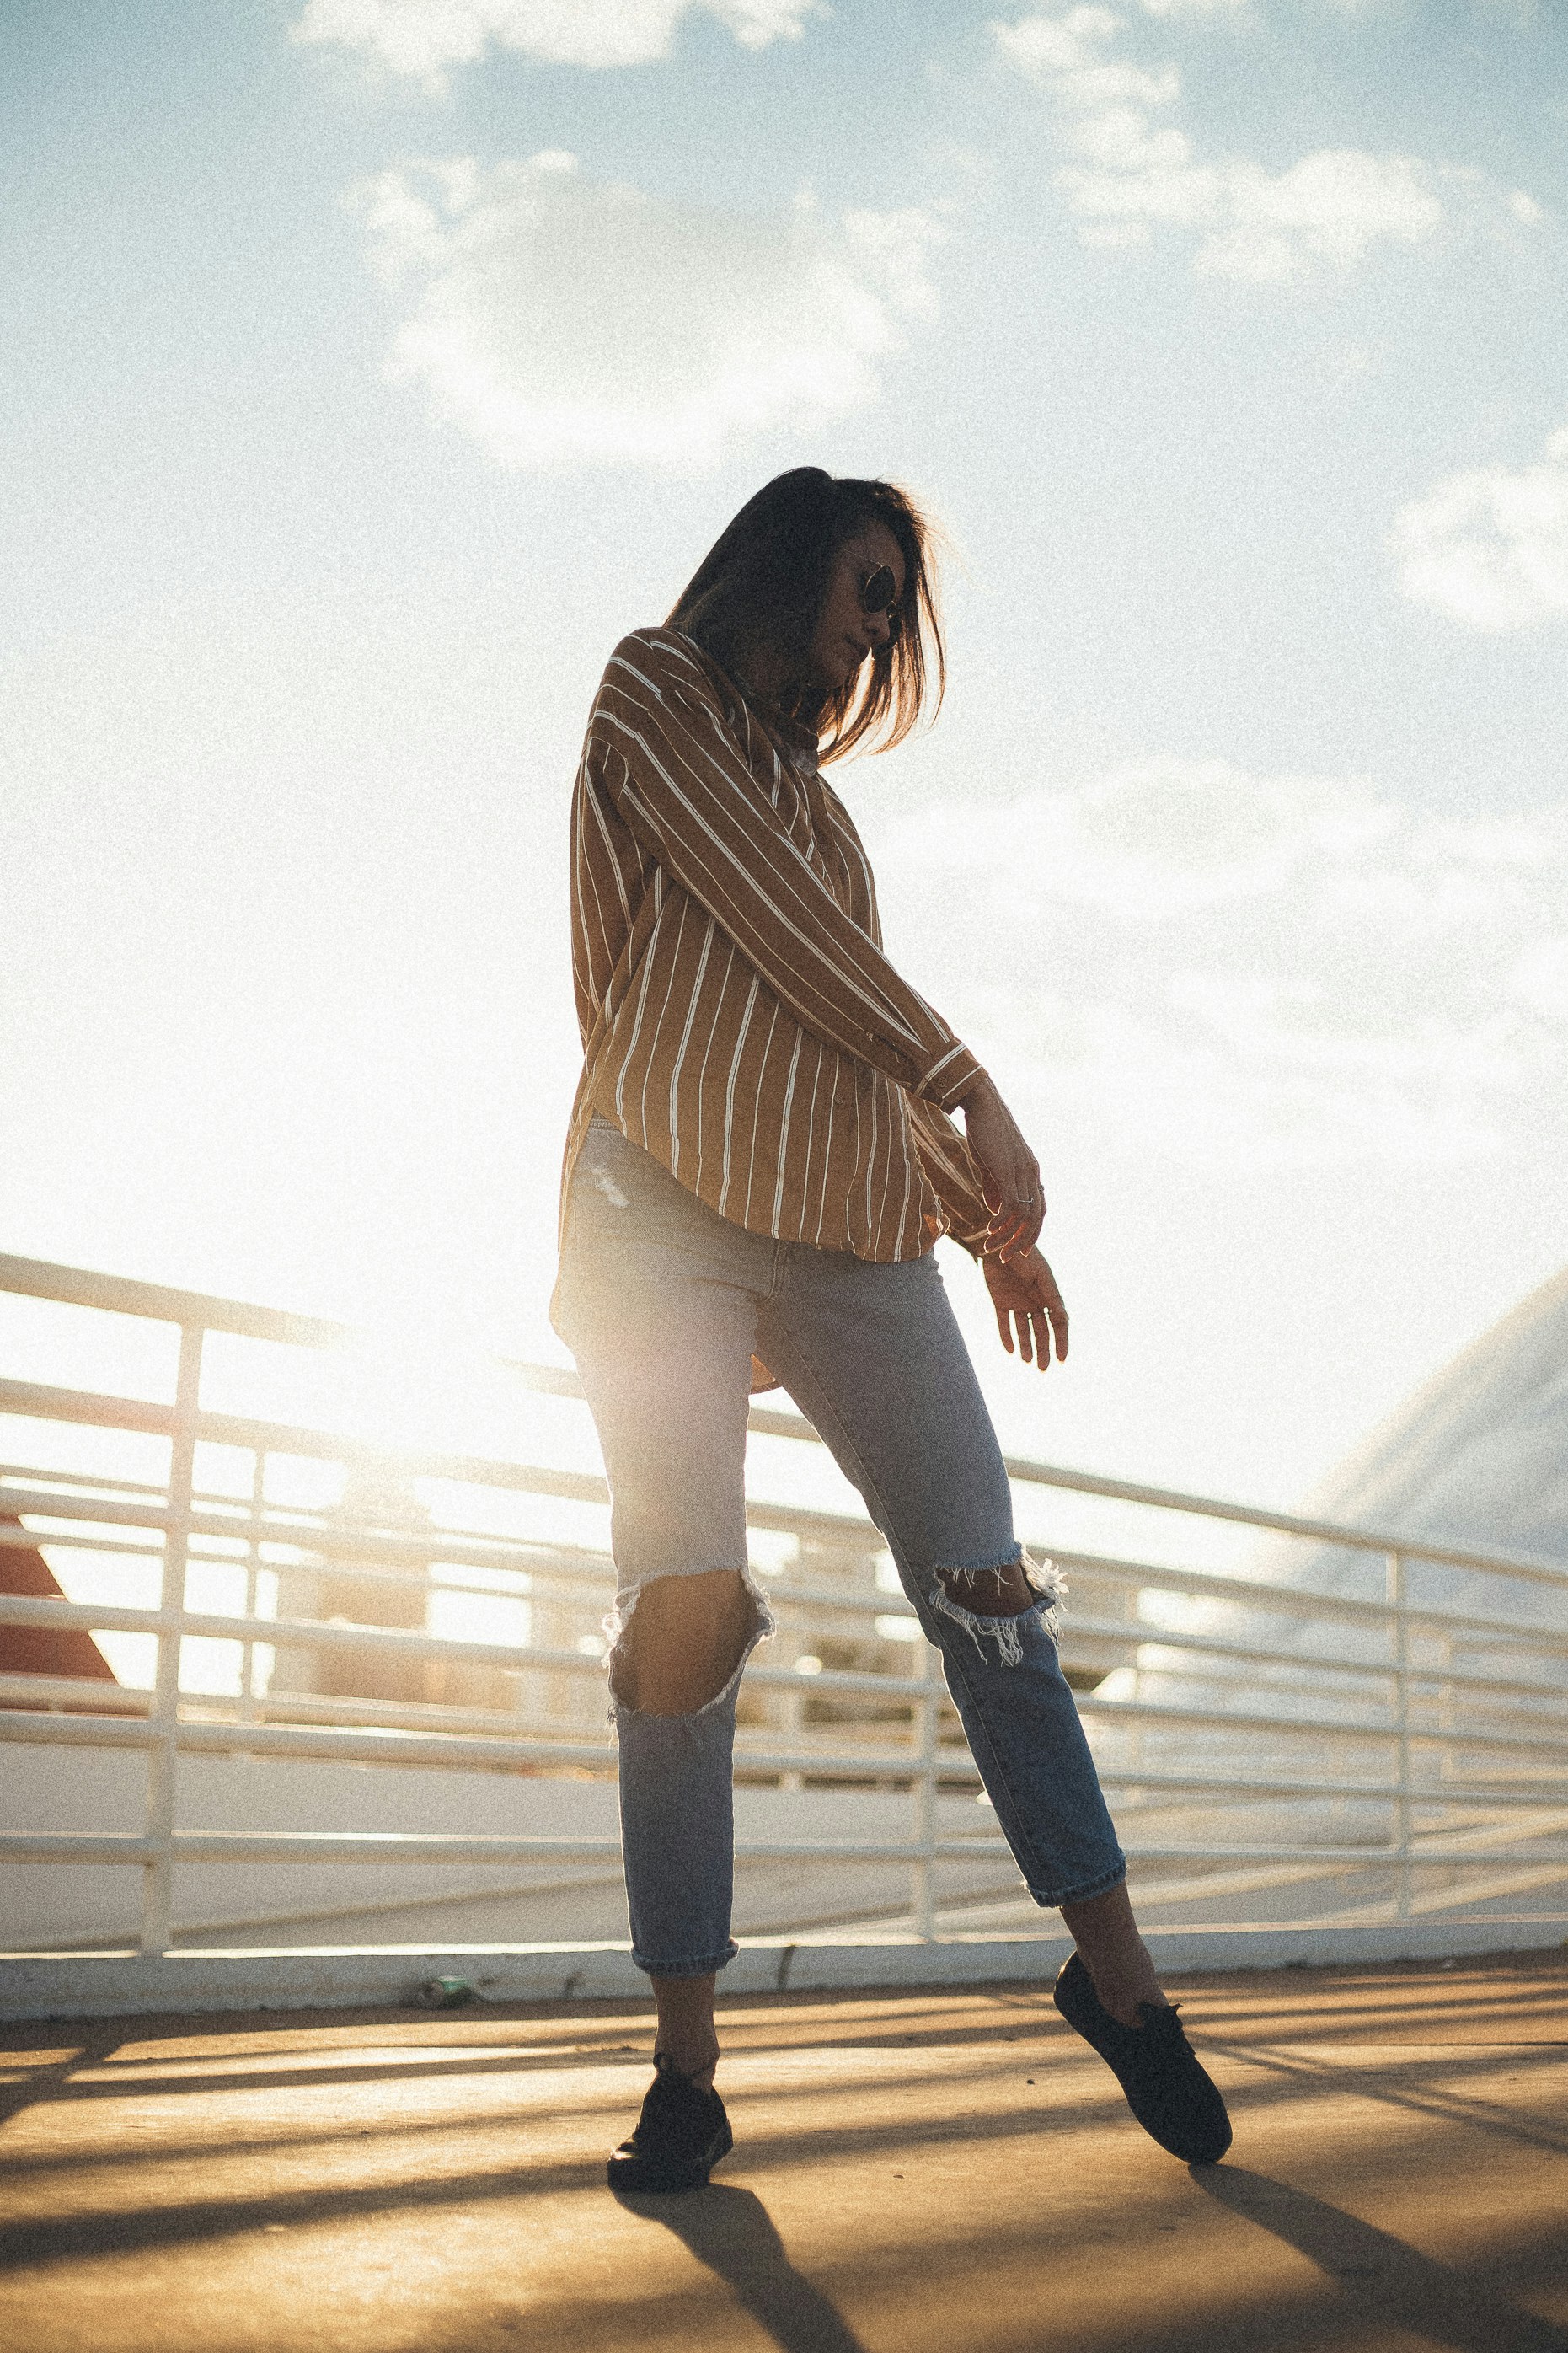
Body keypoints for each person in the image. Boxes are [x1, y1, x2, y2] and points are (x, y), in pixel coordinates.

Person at [551, 466, 1231, 2190]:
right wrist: (974, 1084)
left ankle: (1120, 1983)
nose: (872, 640)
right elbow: (774, 948)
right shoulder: (651, 690)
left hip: (851, 1239)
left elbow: (827, 1036)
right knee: (683, 1610)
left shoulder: (825, 814)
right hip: (658, 1226)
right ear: (782, 567)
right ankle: (688, 2070)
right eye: (865, 594)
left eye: (891, 619)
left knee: (990, 1593)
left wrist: (963, 1201)